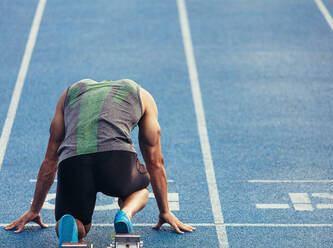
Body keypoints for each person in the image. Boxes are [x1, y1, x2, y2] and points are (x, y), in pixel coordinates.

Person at [5, 79, 195, 246]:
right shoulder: (142, 95)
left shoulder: (69, 93)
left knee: (80, 225)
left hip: (73, 163)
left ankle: (71, 224)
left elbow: (50, 160)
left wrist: (35, 209)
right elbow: (155, 162)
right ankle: (125, 215)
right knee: (140, 189)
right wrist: (165, 211)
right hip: (117, 162)